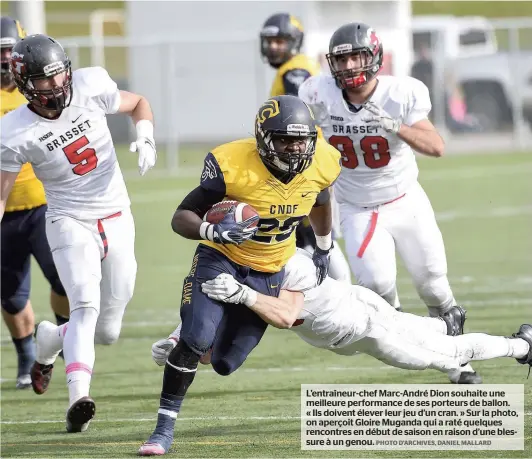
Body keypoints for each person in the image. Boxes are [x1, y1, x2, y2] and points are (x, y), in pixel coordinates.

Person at [138, 95, 341, 456]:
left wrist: (324, 245)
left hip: (269, 270)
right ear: (263, 139)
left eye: (301, 139)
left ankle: (190, 332)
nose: (295, 148)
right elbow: (181, 216)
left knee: (225, 363)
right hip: (222, 258)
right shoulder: (233, 164)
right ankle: (162, 430)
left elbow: (322, 201)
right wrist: (211, 232)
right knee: (197, 340)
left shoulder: (322, 161)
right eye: (284, 140)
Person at [298, 23, 480, 384]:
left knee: (432, 285)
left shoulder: (400, 93)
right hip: (357, 208)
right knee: (378, 290)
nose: (349, 66)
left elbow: (437, 146)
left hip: (404, 200)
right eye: (342, 58)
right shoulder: (317, 94)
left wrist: (396, 126)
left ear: (374, 57)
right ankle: (433, 353)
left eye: (356, 56)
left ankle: (460, 356)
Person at [0, 33, 157, 432]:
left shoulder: (90, 84)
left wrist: (144, 135)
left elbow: (138, 103)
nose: (55, 86)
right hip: (68, 218)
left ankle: (50, 339)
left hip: (117, 214)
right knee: (84, 305)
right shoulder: (13, 129)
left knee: (107, 330)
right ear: (24, 82)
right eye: (43, 80)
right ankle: (78, 398)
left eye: (58, 75)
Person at [153, 250, 532, 382]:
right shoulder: (240, 271)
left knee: (443, 356)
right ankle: (441, 324)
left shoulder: (289, 266)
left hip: (365, 326)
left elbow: (284, 314)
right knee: (434, 338)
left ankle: (520, 346)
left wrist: (244, 294)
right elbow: (209, 321)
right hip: (348, 326)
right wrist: (176, 343)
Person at [0, 16, 70, 390]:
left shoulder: (36, 89)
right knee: (10, 296)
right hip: (3, 213)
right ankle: (26, 355)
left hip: (45, 203)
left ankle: (66, 342)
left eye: (9, 50)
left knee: (62, 278)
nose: (4, 58)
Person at [260, 12, 350, 282]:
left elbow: (294, 120)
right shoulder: (293, 68)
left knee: (314, 232)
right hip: (305, 156)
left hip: (303, 159)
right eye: (271, 41)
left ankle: (344, 290)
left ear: (295, 41)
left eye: (281, 40)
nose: (275, 46)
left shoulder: (294, 72)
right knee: (307, 234)